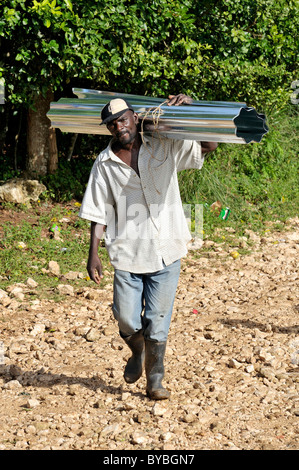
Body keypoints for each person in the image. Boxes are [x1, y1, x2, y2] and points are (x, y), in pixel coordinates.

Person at [79, 93, 217, 400]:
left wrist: (193, 109)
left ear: (135, 118)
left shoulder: (163, 145)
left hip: (167, 249)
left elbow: (208, 146)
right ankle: (137, 351)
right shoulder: (105, 164)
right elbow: (97, 210)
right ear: (108, 129)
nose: (119, 127)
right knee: (127, 319)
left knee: (157, 322)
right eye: (112, 124)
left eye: (123, 119)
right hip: (128, 253)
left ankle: (155, 378)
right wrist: (93, 254)